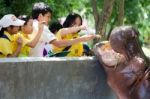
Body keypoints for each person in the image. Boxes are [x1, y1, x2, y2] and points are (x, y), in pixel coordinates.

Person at [29, 2, 95, 57]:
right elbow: (58, 44)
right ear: (40, 16)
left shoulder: (32, 24)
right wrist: (82, 39)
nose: (49, 19)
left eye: (79, 24)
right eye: (48, 16)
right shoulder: (41, 27)